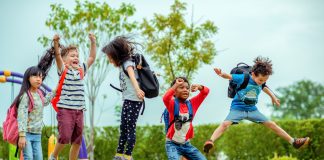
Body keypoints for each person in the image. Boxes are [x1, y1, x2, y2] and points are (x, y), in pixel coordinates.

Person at [203, 56, 310, 153]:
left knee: (272, 124)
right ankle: (210, 141)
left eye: (265, 80)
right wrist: (221, 74)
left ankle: (294, 142)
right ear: (253, 74)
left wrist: (273, 97)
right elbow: (229, 76)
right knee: (225, 124)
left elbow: (264, 87)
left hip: (252, 110)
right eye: (260, 80)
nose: (261, 82)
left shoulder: (261, 81)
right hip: (237, 108)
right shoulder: (244, 78)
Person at [49, 33, 96, 160]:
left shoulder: (81, 70)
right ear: (64, 60)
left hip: (79, 111)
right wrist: (56, 43)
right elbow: (57, 56)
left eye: (77, 56)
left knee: (77, 141)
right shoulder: (63, 70)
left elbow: (91, 57)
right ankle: (53, 155)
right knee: (64, 136)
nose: (76, 58)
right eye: (72, 56)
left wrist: (93, 42)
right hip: (65, 109)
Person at [102, 36, 144, 160]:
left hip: (134, 100)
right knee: (123, 127)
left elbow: (132, 76)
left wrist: (137, 89)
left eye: (110, 58)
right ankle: (119, 154)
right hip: (128, 100)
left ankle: (128, 155)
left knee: (130, 127)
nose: (109, 60)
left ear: (117, 55)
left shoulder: (127, 63)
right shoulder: (122, 65)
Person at [163, 77, 209, 160]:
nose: (185, 90)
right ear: (174, 92)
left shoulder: (193, 104)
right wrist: (176, 84)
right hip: (172, 145)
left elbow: (205, 92)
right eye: (181, 87)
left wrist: (199, 87)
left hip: (186, 145)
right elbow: (165, 98)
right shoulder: (172, 105)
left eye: (187, 88)